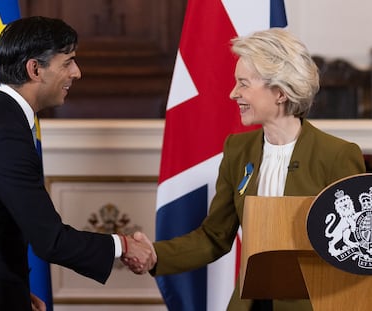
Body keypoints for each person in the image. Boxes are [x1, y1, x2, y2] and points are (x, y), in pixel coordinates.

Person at [124, 28, 366, 311]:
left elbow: (355, 249)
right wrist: (155, 255)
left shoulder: (337, 155)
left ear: (279, 92)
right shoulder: (238, 150)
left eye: (243, 84)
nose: (232, 94)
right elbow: (215, 237)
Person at [0, 16, 154, 311]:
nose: (77, 72)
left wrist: (15, 292)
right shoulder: (4, 133)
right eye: (68, 62)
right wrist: (123, 245)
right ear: (35, 69)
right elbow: (50, 240)